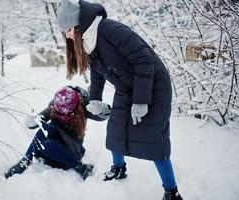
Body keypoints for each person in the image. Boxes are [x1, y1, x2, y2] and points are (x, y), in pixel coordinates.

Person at [56, 0, 183, 199]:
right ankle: (119, 168)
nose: (68, 35)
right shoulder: (88, 42)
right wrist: (95, 99)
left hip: (153, 84)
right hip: (126, 87)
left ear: (79, 23)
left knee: (154, 139)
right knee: (116, 130)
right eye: (64, 32)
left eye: (69, 29)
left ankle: (171, 191)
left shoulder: (109, 30)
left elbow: (143, 61)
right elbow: (97, 72)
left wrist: (141, 101)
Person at [4, 86, 111, 180]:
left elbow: (102, 116)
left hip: (72, 149)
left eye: (67, 112)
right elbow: (40, 118)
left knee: (46, 144)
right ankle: (25, 161)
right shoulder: (56, 104)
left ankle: (79, 167)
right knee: (45, 129)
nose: (63, 113)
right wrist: (33, 121)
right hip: (57, 140)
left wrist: (103, 110)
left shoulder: (84, 106)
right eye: (59, 111)